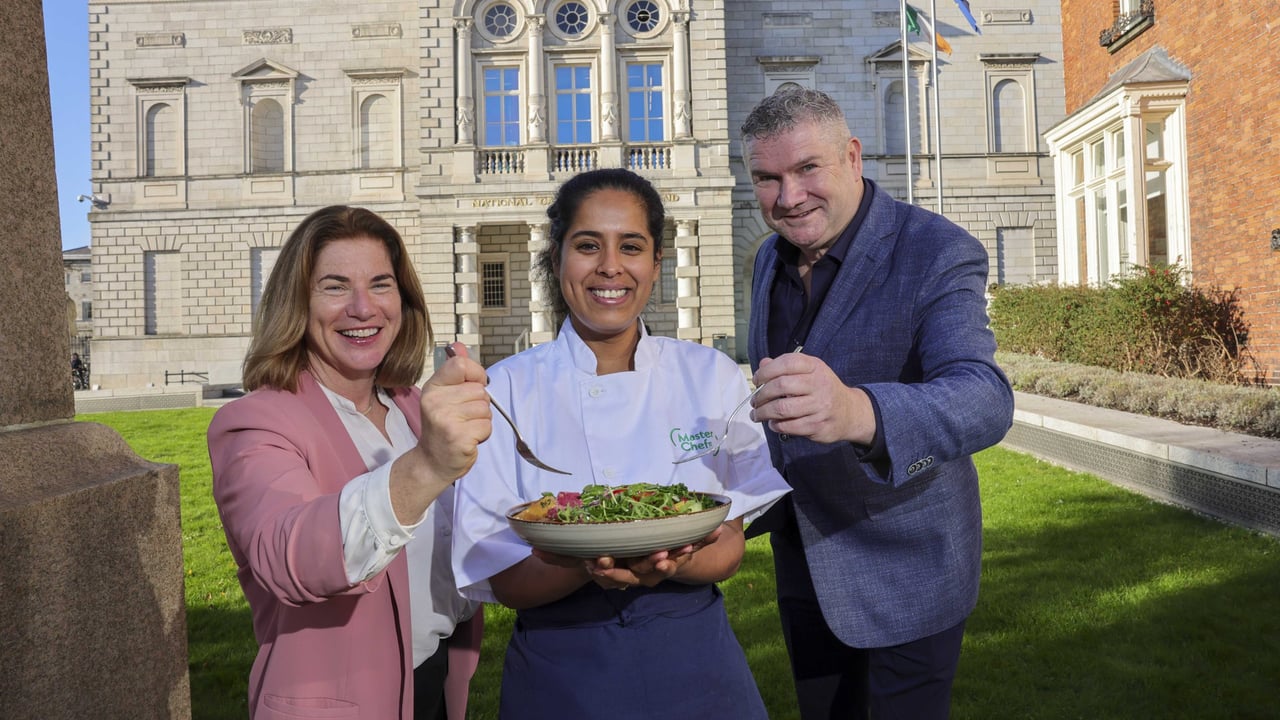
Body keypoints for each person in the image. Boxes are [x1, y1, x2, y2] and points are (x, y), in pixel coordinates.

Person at [450, 168, 792, 720]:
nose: (610, 266)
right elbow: (504, 576)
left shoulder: (710, 377)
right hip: (563, 666)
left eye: (631, 246)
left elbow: (729, 543)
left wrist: (670, 562)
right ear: (556, 258)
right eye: (588, 245)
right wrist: (587, 563)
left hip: (695, 655)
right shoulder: (504, 392)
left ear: (656, 265)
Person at [739, 88, 1015, 719]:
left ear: (852, 157)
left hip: (908, 567)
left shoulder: (935, 250)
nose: (788, 197)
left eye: (807, 169)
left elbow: (985, 398)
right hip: (803, 555)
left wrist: (856, 412)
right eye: (767, 178)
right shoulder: (767, 259)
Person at [207, 206, 492, 719]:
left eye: (381, 284)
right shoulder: (255, 422)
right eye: (335, 287)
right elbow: (286, 554)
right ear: (297, 303)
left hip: (438, 683)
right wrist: (426, 467)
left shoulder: (408, 405)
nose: (363, 308)